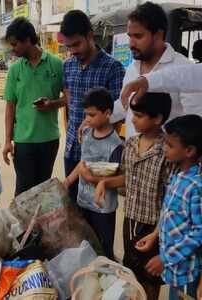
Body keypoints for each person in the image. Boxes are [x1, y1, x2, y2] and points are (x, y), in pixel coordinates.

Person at [95, 93, 173, 300]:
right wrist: (105, 183)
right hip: (131, 219)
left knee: (151, 276)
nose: (133, 119)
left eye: (139, 115)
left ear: (157, 119)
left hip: (155, 224)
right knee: (132, 272)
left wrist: (158, 231)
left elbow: (172, 196)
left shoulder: (169, 150)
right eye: (132, 114)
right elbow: (128, 178)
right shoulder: (130, 144)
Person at [110, 2, 202, 139]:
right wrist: (98, 118)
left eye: (138, 36)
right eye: (130, 36)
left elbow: (195, 122)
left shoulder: (184, 70)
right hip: (132, 156)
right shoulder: (132, 69)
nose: (131, 44)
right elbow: (125, 104)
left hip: (167, 159)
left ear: (158, 35)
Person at [134, 115, 202, 300]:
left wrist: (164, 258)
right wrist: (154, 235)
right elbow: (169, 212)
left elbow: (199, 232)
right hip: (174, 269)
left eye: (170, 145)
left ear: (189, 150)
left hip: (186, 273)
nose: (164, 148)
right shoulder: (178, 176)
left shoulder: (196, 187)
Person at [60, 10, 125, 201]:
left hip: (99, 155)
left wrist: (100, 140)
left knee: (98, 208)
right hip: (72, 149)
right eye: (68, 46)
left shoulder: (112, 68)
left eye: (77, 44)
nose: (73, 51)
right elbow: (70, 104)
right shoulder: (68, 66)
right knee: (73, 206)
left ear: (89, 36)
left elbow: (117, 114)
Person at [3, 17, 65, 196]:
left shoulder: (56, 64)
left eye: (15, 44)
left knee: (43, 192)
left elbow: (68, 98)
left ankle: (38, 225)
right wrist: (8, 141)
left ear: (28, 40)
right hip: (23, 142)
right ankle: (20, 225)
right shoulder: (15, 70)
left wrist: (53, 104)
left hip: (49, 140)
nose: (12, 49)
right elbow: (10, 108)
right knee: (23, 192)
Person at [64, 88, 123, 260]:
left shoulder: (115, 145)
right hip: (83, 202)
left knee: (103, 249)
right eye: (86, 115)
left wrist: (90, 177)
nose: (87, 120)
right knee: (86, 245)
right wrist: (68, 181)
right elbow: (82, 163)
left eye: (91, 115)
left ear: (107, 113)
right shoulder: (88, 133)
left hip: (102, 207)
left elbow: (113, 178)